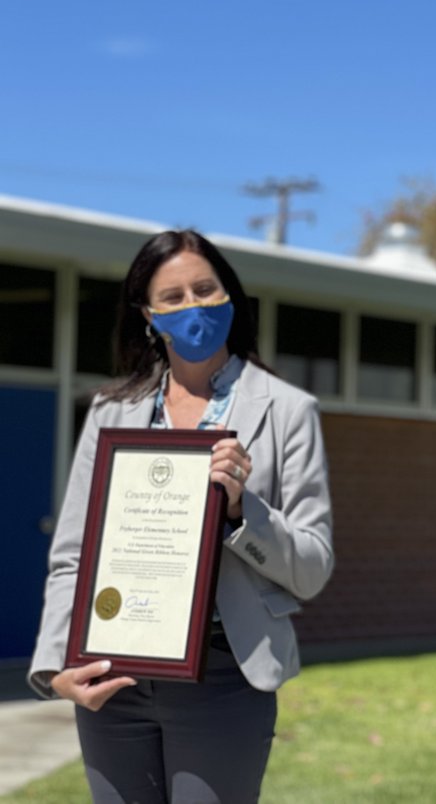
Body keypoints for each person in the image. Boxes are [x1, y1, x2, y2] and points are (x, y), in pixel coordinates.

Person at [28, 229, 335, 803]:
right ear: (148, 314)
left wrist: (246, 510)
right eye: (172, 297)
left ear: (230, 298)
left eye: (204, 289)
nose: (192, 307)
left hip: (223, 678)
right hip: (112, 674)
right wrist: (56, 665)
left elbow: (314, 567)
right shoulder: (111, 411)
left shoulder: (289, 411)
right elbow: (74, 553)